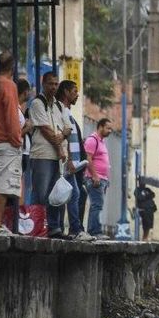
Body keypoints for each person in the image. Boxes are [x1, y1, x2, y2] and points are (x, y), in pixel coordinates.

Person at [29, 72, 72, 239]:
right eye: (50, 84)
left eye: (55, 84)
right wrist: (60, 146)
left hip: (57, 158)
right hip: (42, 155)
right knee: (41, 193)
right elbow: (46, 130)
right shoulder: (37, 104)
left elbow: (68, 128)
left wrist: (60, 137)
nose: (53, 87)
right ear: (43, 83)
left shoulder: (59, 106)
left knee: (56, 194)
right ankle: (37, 227)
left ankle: (55, 228)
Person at [0, 52, 22, 234]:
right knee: (3, 185)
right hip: (6, 142)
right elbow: (11, 115)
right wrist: (16, 139)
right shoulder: (9, 86)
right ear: (12, 67)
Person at [56, 80, 92, 241]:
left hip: (73, 164)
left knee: (74, 194)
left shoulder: (68, 113)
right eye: (75, 91)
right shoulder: (61, 112)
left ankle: (71, 229)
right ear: (65, 92)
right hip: (68, 163)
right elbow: (65, 137)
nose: (77, 94)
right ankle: (75, 230)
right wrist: (69, 159)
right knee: (74, 195)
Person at [84, 118, 112, 239]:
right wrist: (95, 175)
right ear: (100, 127)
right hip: (94, 179)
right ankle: (95, 231)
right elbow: (88, 159)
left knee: (97, 205)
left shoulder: (102, 141)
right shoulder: (92, 140)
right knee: (97, 205)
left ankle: (93, 231)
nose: (110, 131)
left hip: (102, 179)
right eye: (108, 128)